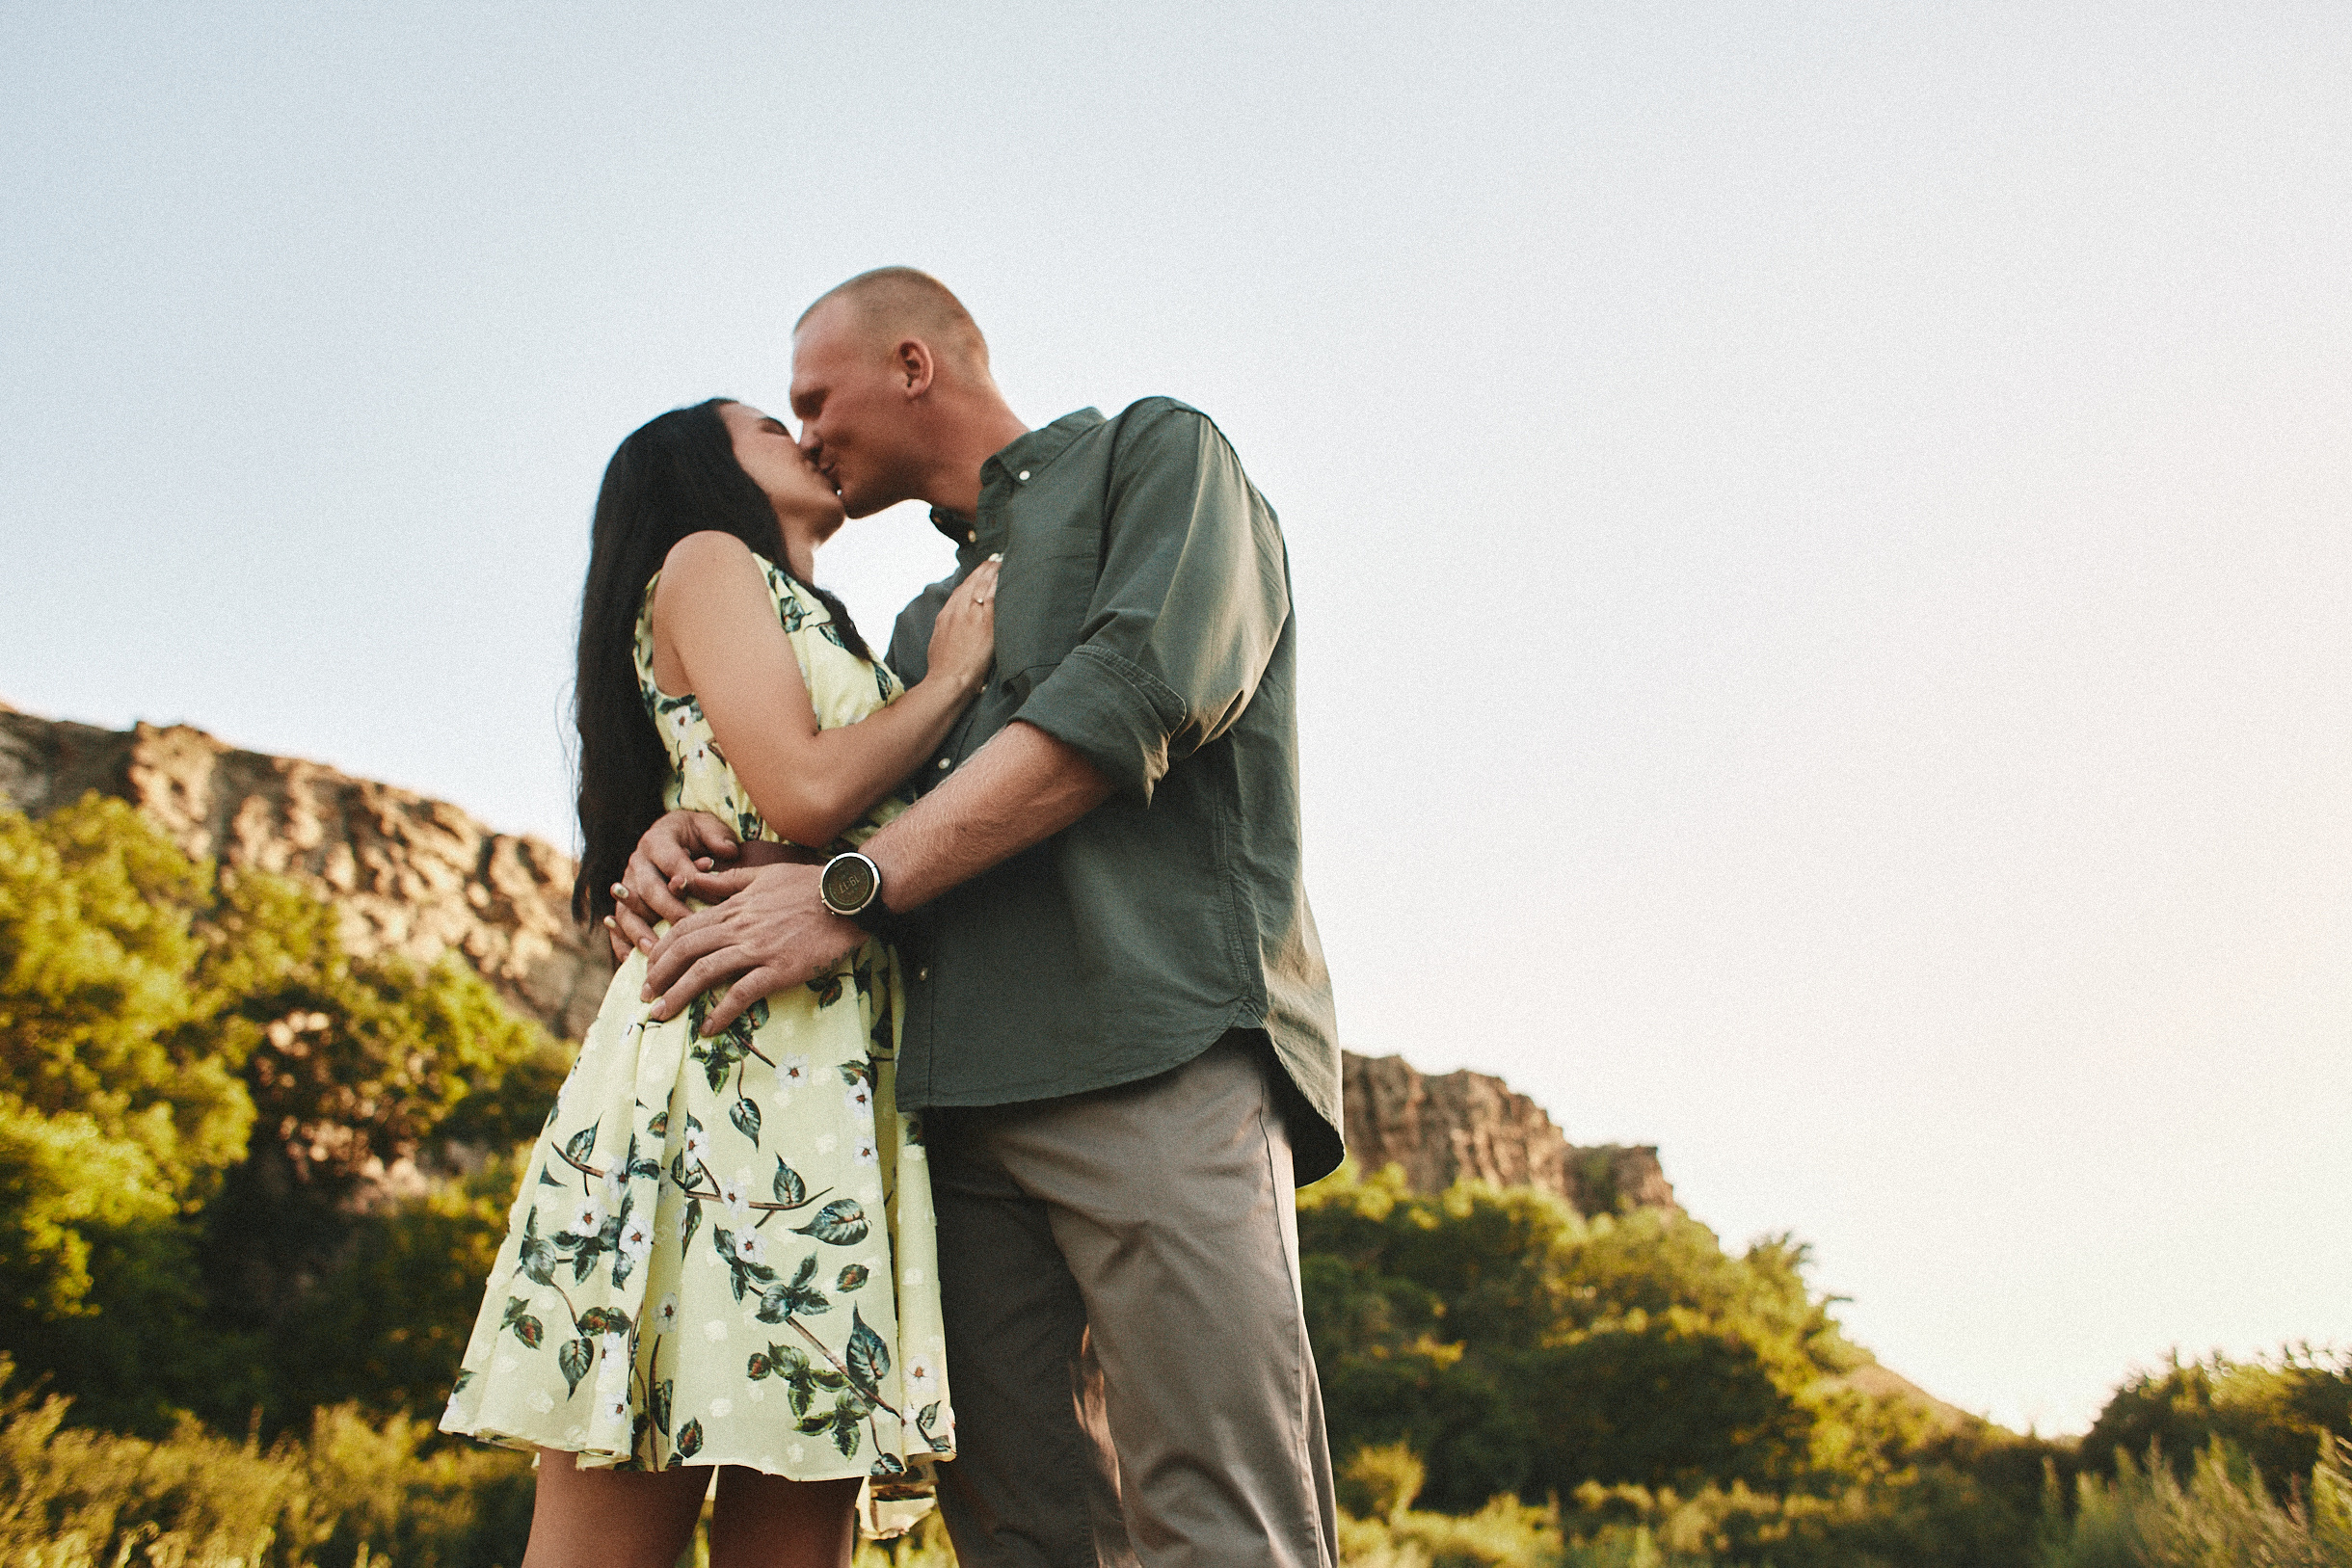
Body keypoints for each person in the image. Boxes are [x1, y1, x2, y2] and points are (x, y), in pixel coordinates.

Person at [610, 269, 1344, 1568]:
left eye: (812, 399)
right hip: (947, 1122)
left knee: (1220, 1518)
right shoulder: (910, 631)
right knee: (1021, 1534)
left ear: (911, 363)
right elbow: (836, 824)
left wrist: (854, 885)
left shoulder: (1156, 455)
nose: (809, 431)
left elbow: (1125, 702)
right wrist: (677, 839)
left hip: (1157, 1057)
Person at [441, 395, 1001, 1568]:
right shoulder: (705, 559)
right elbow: (799, 790)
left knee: (795, 1539)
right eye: (762, 423)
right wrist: (950, 683)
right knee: (614, 1526)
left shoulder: (825, 622)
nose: (799, 432)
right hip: (722, 1070)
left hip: (837, 1093)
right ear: (702, 470)